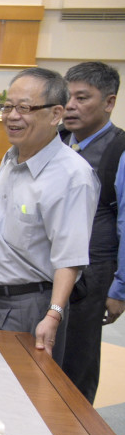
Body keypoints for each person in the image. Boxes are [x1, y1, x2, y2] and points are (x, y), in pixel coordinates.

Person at [0, 68, 99, 365]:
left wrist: (53, 315)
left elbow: (70, 258)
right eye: (7, 106)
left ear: (55, 114)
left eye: (24, 108)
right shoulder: (10, 157)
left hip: (29, 305)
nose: (12, 116)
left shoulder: (73, 176)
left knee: (19, 393)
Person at [59, 62, 125, 403]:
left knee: (77, 360)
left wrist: (120, 288)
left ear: (109, 102)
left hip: (93, 273)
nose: (70, 106)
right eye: (67, 97)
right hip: (50, 268)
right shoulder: (53, 143)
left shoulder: (119, 150)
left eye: (82, 98)